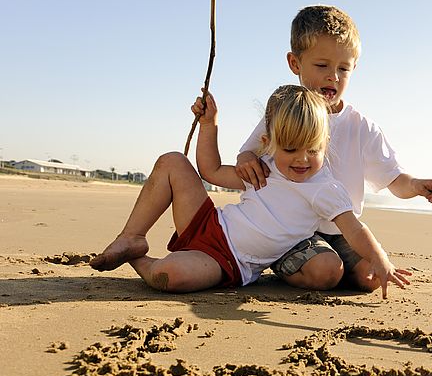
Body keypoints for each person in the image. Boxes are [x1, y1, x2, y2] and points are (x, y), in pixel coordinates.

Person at [89, 85, 411, 298]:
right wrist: (210, 125)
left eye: (312, 150)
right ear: (269, 143)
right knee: (172, 161)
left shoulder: (325, 189)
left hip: (227, 262)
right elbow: (211, 171)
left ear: (325, 144)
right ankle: (132, 236)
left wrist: (380, 259)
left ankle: (139, 260)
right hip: (208, 223)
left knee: (168, 276)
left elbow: (355, 229)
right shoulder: (266, 167)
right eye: (290, 149)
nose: (301, 159)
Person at [234, 5, 432, 293]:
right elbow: (249, 153)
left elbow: (395, 180)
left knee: (368, 279)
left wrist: (416, 185)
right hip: (293, 229)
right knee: (325, 273)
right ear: (295, 63)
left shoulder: (362, 127)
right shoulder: (286, 113)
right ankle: (289, 260)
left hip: (342, 229)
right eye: (322, 66)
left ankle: (333, 265)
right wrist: (246, 159)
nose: (333, 76)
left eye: (343, 69)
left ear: (353, 68)